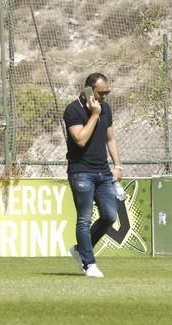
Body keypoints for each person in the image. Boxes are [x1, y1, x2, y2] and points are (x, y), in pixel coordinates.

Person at [63, 72, 122, 278]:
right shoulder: (73, 110)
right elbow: (80, 139)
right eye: (101, 93)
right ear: (88, 90)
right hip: (81, 172)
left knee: (109, 216)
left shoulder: (105, 108)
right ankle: (89, 264)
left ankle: (81, 250)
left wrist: (118, 165)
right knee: (84, 219)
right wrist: (94, 115)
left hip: (103, 172)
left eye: (107, 92)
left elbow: (110, 138)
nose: (104, 97)